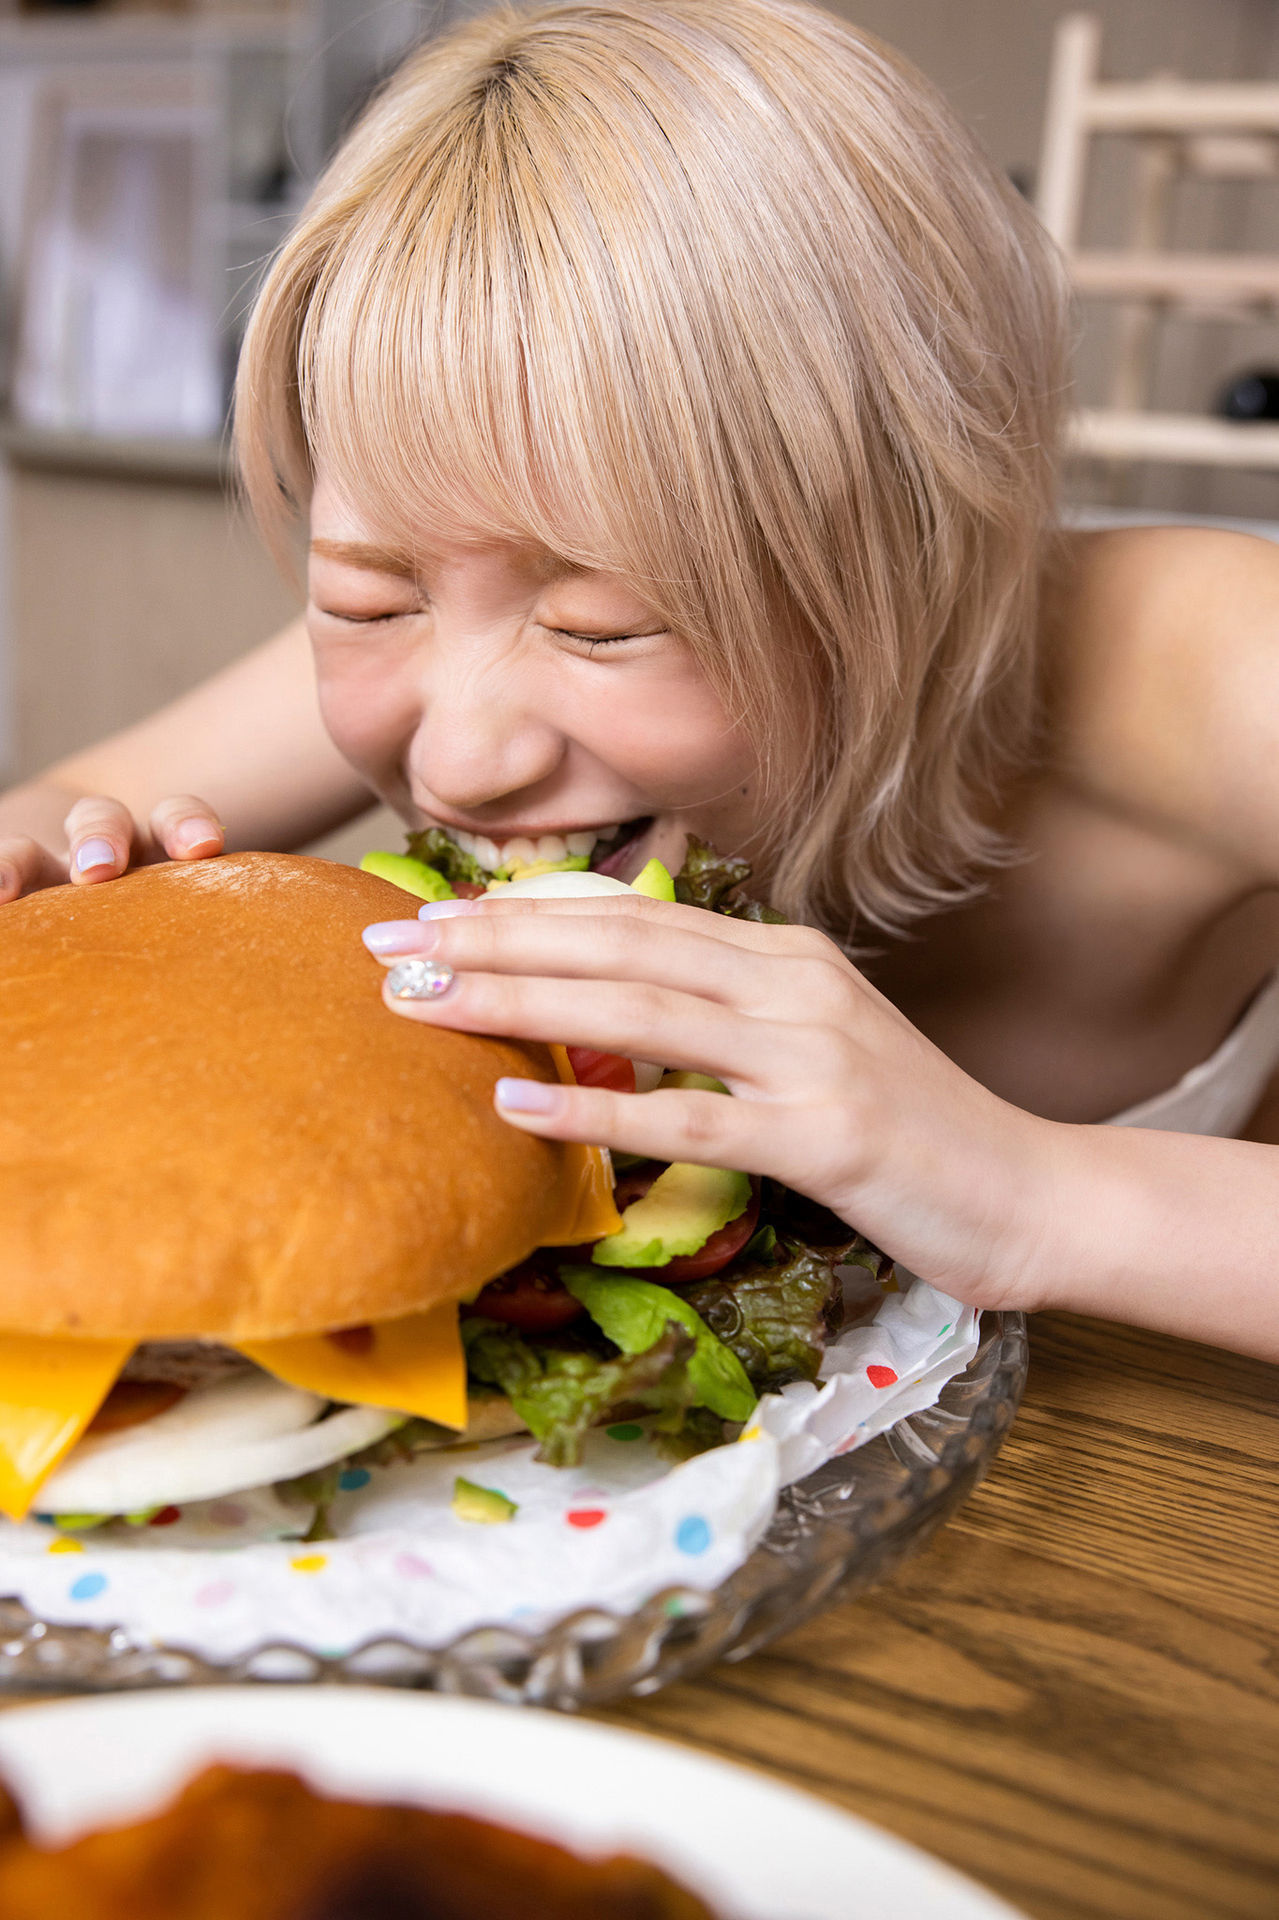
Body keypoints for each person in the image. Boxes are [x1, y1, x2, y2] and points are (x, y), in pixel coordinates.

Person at [5, 0, 1279, 1359]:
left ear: (906, 552)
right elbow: (72, 799)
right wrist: (68, 871)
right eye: (369, 599)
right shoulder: (469, 633)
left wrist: (1027, 1192)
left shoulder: (1221, 669)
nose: (459, 761)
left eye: (603, 629)